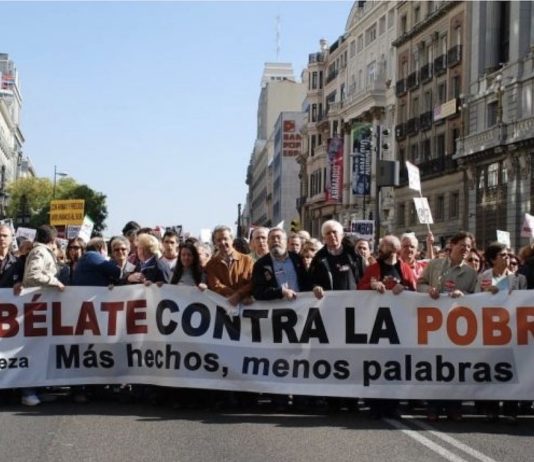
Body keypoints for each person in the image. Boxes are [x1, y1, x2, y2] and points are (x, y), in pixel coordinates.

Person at [417, 231, 478, 421]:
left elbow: (477, 298)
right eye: (463, 245)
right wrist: (429, 290)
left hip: (457, 327)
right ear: (452, 245)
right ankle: (433, 407)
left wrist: (464, 296)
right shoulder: (435, 265)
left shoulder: (470, 272)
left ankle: (454, 407)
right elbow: (420, 284)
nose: (465, 250)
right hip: (433, 326)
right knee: (435, 366)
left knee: (455, 367)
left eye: (468, 247)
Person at [475, 242, 527, 422]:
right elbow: (473, 302)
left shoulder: (518, 279)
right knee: (492, 370)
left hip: (512, 331)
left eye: (508, 255)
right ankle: (491, 408)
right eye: (502, 255)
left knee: (512, 370)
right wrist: (487, 293)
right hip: (489, 332)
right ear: (492, 260)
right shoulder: (483, 278)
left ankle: (511, 409)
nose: (508, 258)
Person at [21, 225, 65, 406]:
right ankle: (27, 391)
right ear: (53, 240)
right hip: (35, 307)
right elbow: (32, 275)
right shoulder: (40, 251)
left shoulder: (41, 251)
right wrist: (55, 282)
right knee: (31, 349)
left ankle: (35, 389)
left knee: (39, 350)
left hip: (41, 307)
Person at [310, 220, 364, 299]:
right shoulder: (318, 258)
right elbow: (312, 280)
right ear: (324, 238)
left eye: (334, 232)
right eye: (328, 233)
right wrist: (315, 287)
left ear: (341, 235)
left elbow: (363, 276)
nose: (332, 235)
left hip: (353, 301)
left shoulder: (353, 254)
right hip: (329, 302)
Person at [252, 227, 309, 301]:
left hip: (301, 307)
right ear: (268, 242)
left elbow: (307, 281)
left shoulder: (297, 259)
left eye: (278, 238)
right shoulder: (261, 264)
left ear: (286, 242)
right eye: (272, 238)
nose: (275, 240)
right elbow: (258, 292)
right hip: (277, 310)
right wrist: (281, 292)